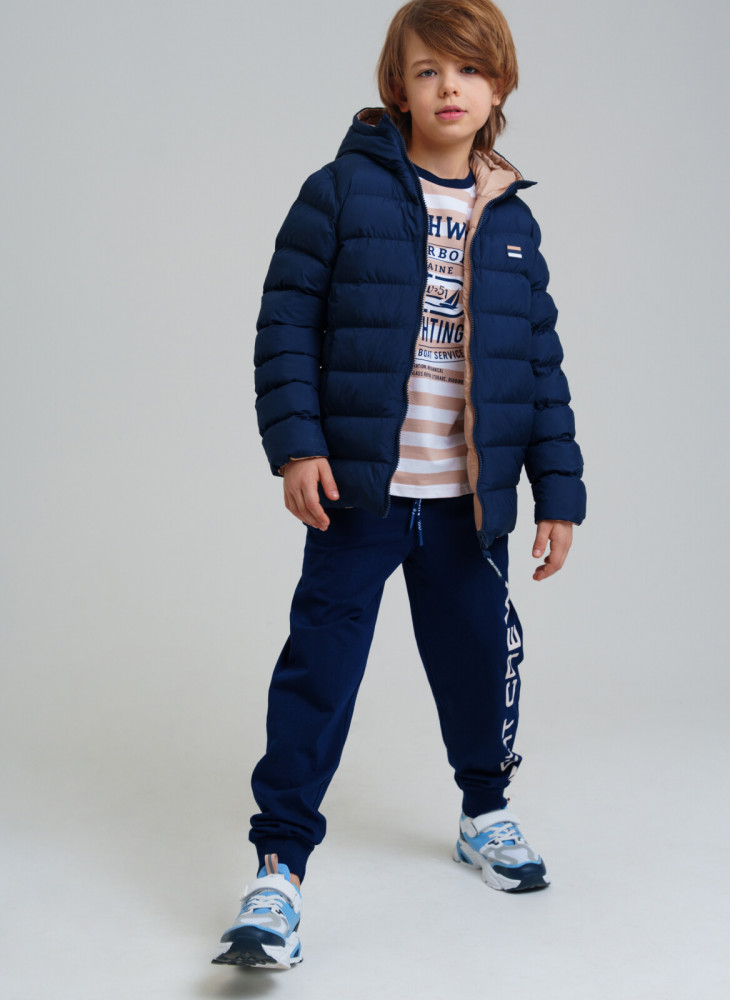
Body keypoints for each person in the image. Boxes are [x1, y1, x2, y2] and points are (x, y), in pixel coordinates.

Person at [213, 0, 586, 970]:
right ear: (399, 88)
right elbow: (285, 324)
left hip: (468, 507)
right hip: (360, 500)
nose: (448, 87)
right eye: (428, 71)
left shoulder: (511, 222)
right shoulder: (341, 192)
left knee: (476, 663)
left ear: (498, 86)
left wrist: (559, 491)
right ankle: (279, 869)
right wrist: (297, 446)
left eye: (468, 70)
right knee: (320, 672)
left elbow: (538, 366)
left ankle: (484, 810)